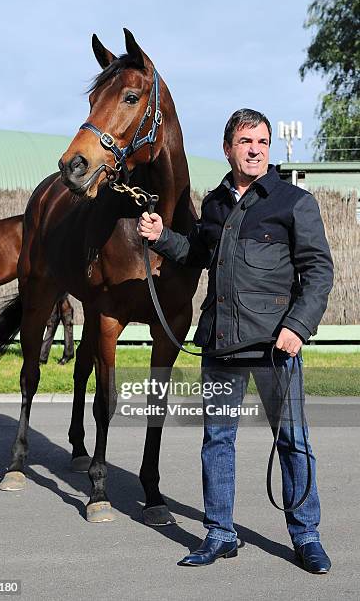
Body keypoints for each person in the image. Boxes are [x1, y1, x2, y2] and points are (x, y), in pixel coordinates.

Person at [137, 109, 334, 574]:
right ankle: (220, 533)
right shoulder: (216, 205)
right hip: (221, 342)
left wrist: (297, 327)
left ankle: (306, 535)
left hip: (274, 346)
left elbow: (319, 272)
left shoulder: (293, 202)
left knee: (293, 441)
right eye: (246, 141)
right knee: (217, 441)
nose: (256, 149)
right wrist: (162, 237)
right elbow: (200, 256)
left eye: (262, 141)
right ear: (228, 148)